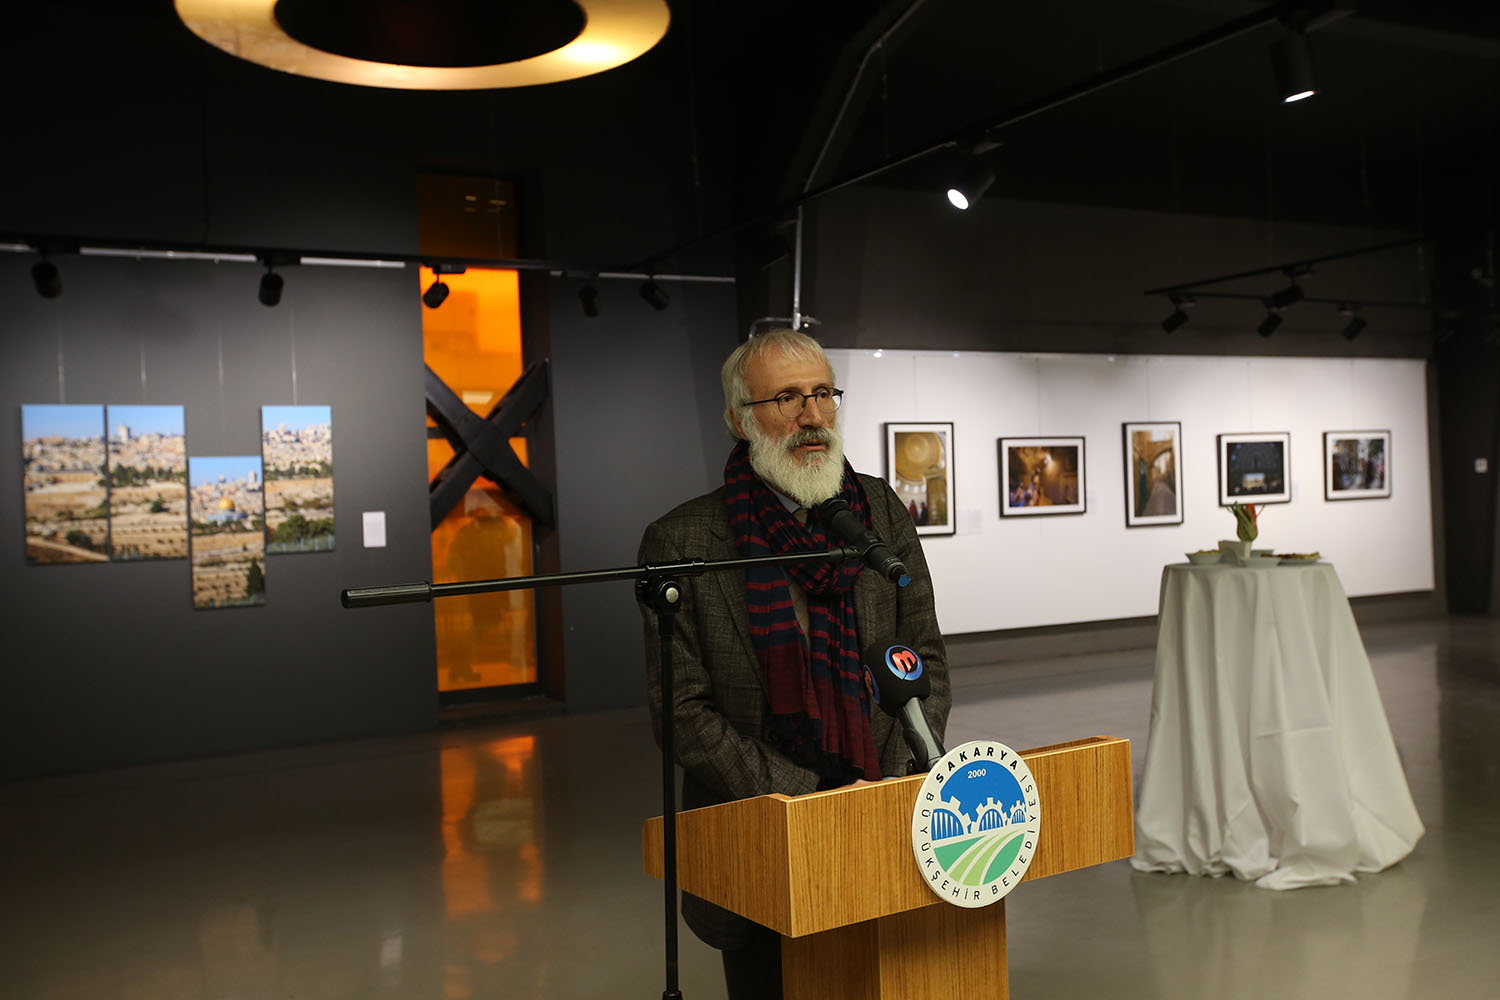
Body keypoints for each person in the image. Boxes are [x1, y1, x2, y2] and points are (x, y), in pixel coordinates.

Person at [637, 328, 950, 1000]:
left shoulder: (880, 512)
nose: (812, 416)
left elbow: (924, 658)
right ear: (740, 419)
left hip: (882, 821)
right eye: (787, 398)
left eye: (821, 394)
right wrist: (809, 800)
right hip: (759, 845)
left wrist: (892, 780)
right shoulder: (684, 540)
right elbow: (683, 714)